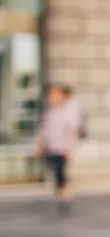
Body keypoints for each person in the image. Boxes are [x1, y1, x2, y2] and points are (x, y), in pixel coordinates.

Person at [36, 83, 81, 215]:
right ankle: (62, 194)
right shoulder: (51, 111)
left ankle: (64, 196)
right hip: (52, 146)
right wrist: (41, 145)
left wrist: (69, 148)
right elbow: (44, 130)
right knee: (56, 172)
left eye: (55, 94)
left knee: (60, 172)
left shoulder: (68, 110)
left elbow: (72, 130)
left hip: (61, 147)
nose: (52, 97)